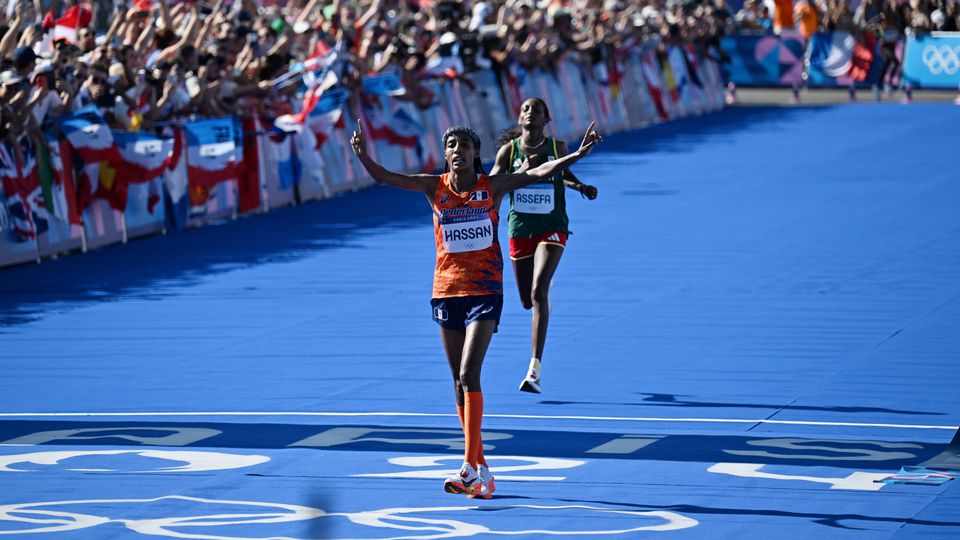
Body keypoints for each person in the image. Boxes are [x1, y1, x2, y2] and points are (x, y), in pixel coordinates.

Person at [350, 119, 602, 497]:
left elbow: (536, 171)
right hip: (446, 291)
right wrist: (363, 155)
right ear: (446, 153)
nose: (457, 151)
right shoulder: (432, 186)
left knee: (470, 373)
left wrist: (576, 156)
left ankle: (468, 467)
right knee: (457, 381)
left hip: (484, 291)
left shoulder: (492, 187)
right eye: (450, 145)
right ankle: (482, 468)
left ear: (474, 154)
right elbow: (386, 177)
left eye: (464, 146)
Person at [491, 98, 598, 394]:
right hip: (520, 229)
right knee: (528, 300)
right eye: (525, 109)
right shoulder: (508, 151)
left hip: (552, 226)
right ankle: (541, 300)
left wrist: (581, 187)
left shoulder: (557, 148)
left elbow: (563, 174)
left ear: (546, 119)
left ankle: (534, 369)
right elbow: (491, 185)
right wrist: (521, 172)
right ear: (519, 118)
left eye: (536, 110)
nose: (530, 113)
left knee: (539, 290)